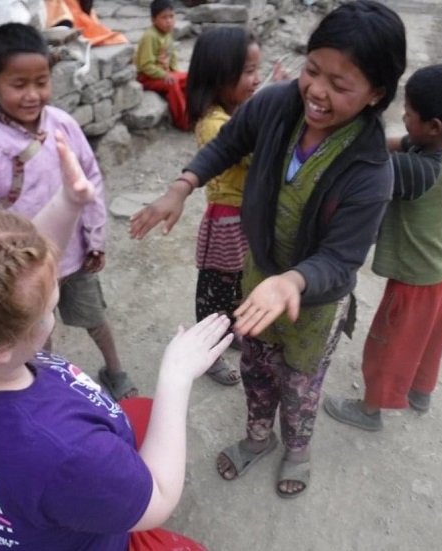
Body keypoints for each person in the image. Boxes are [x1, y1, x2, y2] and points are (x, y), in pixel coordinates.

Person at [0, 132, 230, 550]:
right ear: (1, 347)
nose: (52, 306)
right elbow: (158, 500)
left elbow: (13, 279)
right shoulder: (64, 452)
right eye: (48, 308)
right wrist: (176, 375)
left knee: (141, 414)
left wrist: (68, 203)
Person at [129, 0, 406, 498]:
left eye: (340, 85)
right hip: (259, 278)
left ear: (375, 94)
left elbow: (342, 257)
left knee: (301, 385)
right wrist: (183, 184)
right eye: (312, 70)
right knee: (257, 368)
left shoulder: (370, 170)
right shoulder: (279, 104)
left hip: (315, 302)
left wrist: (294, 281)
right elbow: (228, 143)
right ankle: (258, 438)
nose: (317, 91)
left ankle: (297, 447)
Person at [0, 22, 138, 401]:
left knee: (94, 317)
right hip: (24, 264)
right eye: (18, 84)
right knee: (38, 332)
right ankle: (49, 387)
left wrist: (96, 236)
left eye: (41, 81)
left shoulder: (64, 125)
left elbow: (90, 179)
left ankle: (115, 368)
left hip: (74, 254)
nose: (32, 94)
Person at [323, 63, 442, 430]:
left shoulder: (422, 173)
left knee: (387, 345)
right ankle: (420, 391)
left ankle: (368, 411)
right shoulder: (438, 149)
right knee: (427, 340)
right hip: (441, 273)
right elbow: (394, 144)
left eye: (408, 113)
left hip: (414, 281)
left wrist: (339, 140)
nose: (403, 118)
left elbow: (374, 164)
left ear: (434, 125)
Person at [185, 26, 262, 386]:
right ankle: (209, 352)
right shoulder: (216, 124)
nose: (256, 80)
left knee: (235, 285)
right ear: (220, 76)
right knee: (215, 291)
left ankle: (228, 331)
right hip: (226, 220)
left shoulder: (232, 113)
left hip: (241, 218)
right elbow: (253, 156)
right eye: (248, 72)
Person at [134, 0, 189, 130]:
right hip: (147, 77)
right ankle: (183, 121)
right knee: (173, 83)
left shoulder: (168, 33)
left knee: (191, 77)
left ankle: (193, 110)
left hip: (163, 73)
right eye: (164, 17)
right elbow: (145, 65)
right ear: (153, 20)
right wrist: (166, 75)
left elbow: (172, 55)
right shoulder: (150, 36)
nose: (169, 21)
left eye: (171, 16)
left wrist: (175, 71)